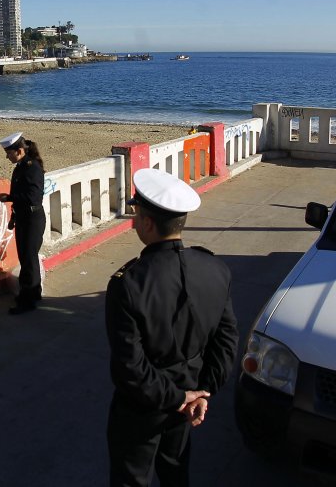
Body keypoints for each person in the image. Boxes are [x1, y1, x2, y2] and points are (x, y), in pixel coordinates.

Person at [105, 169, 239, 487]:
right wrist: (204, 391)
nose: (134, 222)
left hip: (142, 407)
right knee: (176, 473)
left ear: (149, 224)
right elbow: (227, 339)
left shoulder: (129, 284)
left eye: (137, 216)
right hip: (189, 399)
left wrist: (178, 397)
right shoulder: (216, 269)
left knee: (131, 478)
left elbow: (130, 367)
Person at [0, 132, 46, 314]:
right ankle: (34, 293)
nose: (7, 156)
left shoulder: (32, 168)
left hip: (32, 218)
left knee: (28, 260)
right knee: (27, 258)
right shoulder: (20, 167)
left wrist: (10, 197)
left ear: (19, 151)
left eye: (9, 152)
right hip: (25, 218)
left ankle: (27, 300)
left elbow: (33, 197)